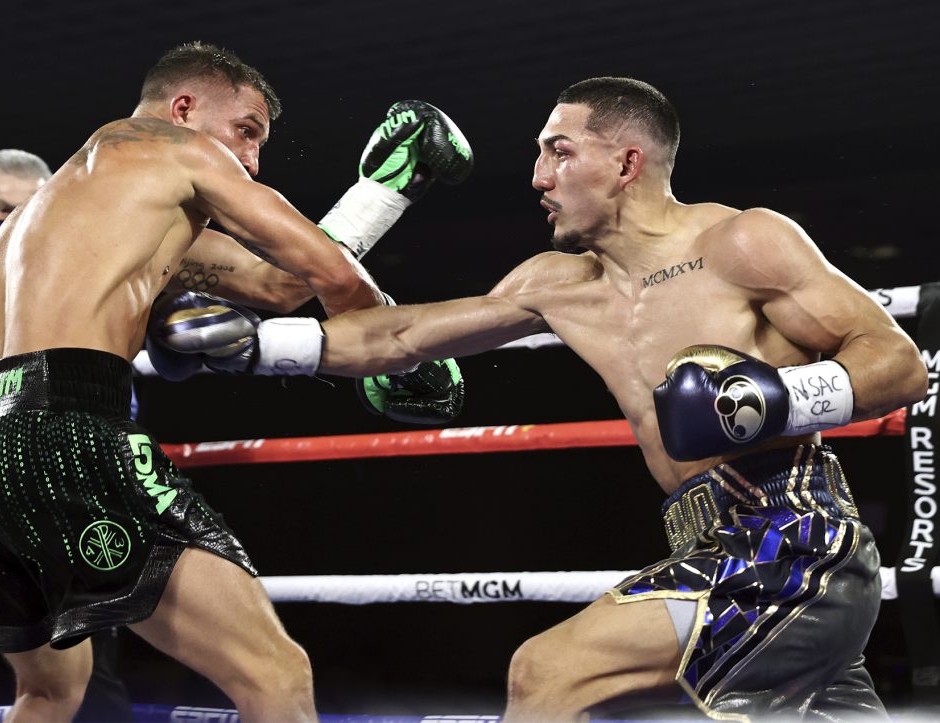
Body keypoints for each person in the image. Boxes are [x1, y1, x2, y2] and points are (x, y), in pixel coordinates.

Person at [161, 77, 928, 720]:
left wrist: (772, 402)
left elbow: (898, 364)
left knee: (547, 669)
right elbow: (399, 338)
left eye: (559, 151)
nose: (538, 176)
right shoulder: (558, 283)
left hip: (792, 538)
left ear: (627, 161)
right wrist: (261, 346)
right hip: (709, 542)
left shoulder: (740, 244)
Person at [0, 42, 469, 722]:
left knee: (48, 693)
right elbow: (335, 278)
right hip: (64, 434)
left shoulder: (75, 202)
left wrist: (384, 185)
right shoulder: (175, 148)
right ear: (184, 108)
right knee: (276, 674)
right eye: (246, 130)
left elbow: (279, 283)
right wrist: (399, 353)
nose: (251, 160)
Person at [0, 149, 131, 720]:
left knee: (88, 689)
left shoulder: (85, 294)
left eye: (26, 209)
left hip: (48, 512)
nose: (9, 221)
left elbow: (115, 406)